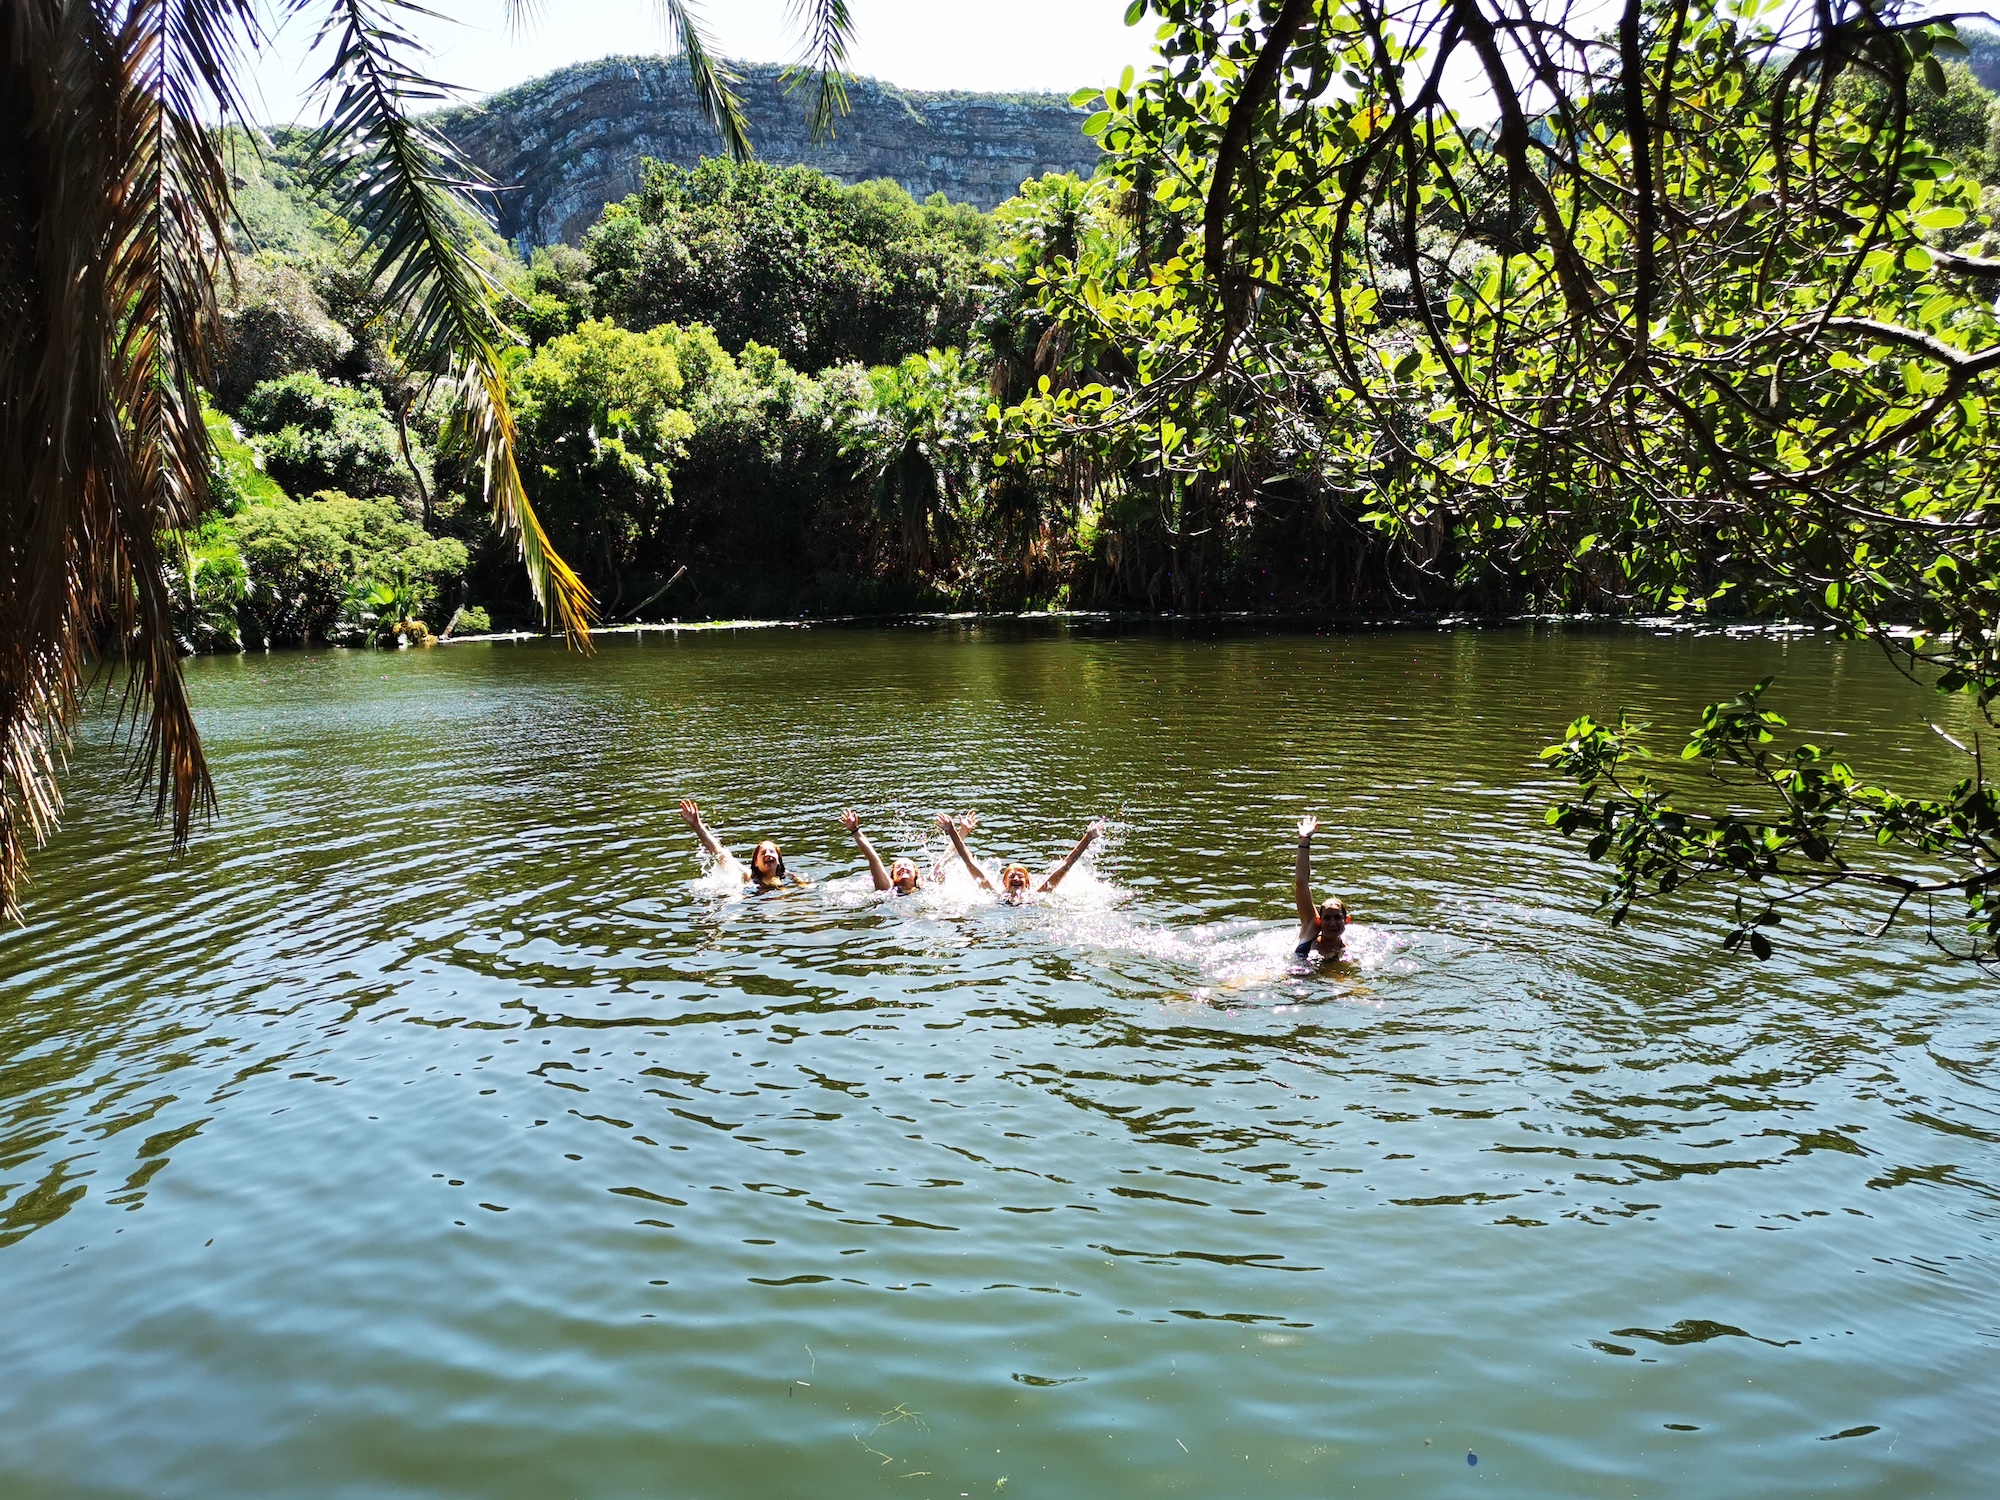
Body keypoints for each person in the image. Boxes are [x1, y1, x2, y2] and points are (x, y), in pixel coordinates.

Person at [938, 812, 1107, 901]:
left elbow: (1065, 866)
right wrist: (953, 831)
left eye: (1021, 875)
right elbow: (969, 862)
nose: (1017, 877)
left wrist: (1088, 838)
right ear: (1004, 882)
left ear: (1028, 882)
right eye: (1012, 875)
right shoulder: (993, 894)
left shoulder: (1038, 894)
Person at [678, 798, 802, 890]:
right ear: (756, 863)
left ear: (779, 860)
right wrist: (697, 825)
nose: (768, 854)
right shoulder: (749, 876)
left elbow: (809, 889)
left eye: (771, 852)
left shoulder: (790, 877)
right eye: (763, 853)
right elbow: (720, 853)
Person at [1292, 813, 1350, 960]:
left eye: (1337, 918)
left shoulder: (1346, 952)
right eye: (1327, 918)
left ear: (1347, 920)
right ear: (1319, 920)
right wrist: (1304, 842)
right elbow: (1301, 883)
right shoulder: (1311, 929)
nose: (1332, 923)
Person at [841, 808, 924, 896]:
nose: (903, 868)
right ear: (893, 877)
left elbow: (940, 866)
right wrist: (855, 831)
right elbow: (873, 859)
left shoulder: (926, 886)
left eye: (907, 865)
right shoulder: (887, 887)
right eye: (898, 867)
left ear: (916, 873)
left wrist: (941, 829)